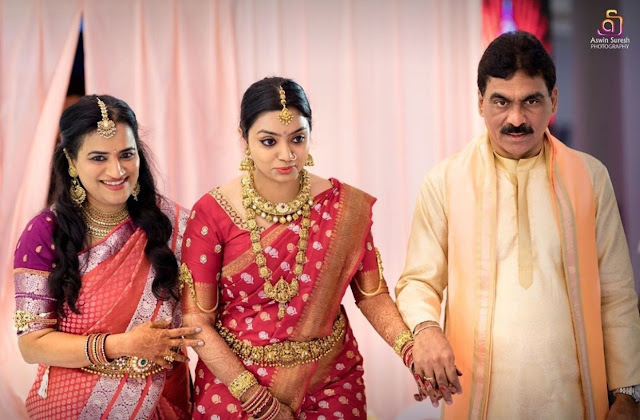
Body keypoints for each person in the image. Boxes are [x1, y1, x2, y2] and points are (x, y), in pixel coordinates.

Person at [395, 30, 640, 420]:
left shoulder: (590, 177)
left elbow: (617, 292)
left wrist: (628, 395)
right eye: (501, 102)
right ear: (479, 103)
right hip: (479, 399)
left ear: (553, 100)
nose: (516, 119)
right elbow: (418, 281)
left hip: (573, 398)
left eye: (531, 101)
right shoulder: (445, 180)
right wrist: (425, 329)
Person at [179, 77, 423, 420]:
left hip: (330, 379)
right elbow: (196, 321)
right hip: (235, 386)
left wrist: (412, 351)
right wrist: (257, 401)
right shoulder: (212, 213)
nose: (286, 154)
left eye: (298, 138)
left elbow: (371, 295)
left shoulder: (343, 208)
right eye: (268, 141)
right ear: (243, 138)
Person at [13, 95, 203, 419]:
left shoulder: (174, 225)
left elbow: (207, 314)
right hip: (69, 404)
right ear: (71, 162)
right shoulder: (45, 232)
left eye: (127, 154)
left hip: (161, 400)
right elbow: (32, 344)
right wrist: (123, 345)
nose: (117, 171)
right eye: (98, 158)